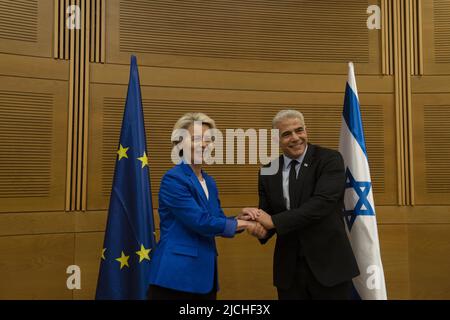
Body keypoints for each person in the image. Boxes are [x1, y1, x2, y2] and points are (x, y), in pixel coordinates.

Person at [243, 109, 360, 300]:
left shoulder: (330, 159)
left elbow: (321, 204)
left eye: (299, 130)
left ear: (306, 131)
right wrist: (258, 226)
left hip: (329, 268)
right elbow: (268, 214)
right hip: (289, 272)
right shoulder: (268, 171)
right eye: (287, 134)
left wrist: (273, 221)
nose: (296, 138)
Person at [147, 112, 257, 300]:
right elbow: (200, 222)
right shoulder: (173, 178)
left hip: (204, 277)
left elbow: (217, 220)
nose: (204, 144)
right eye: (197, 139)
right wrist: (247, 226)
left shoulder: (209, 181)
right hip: (176, 277)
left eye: (209, 139)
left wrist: (240, 219)